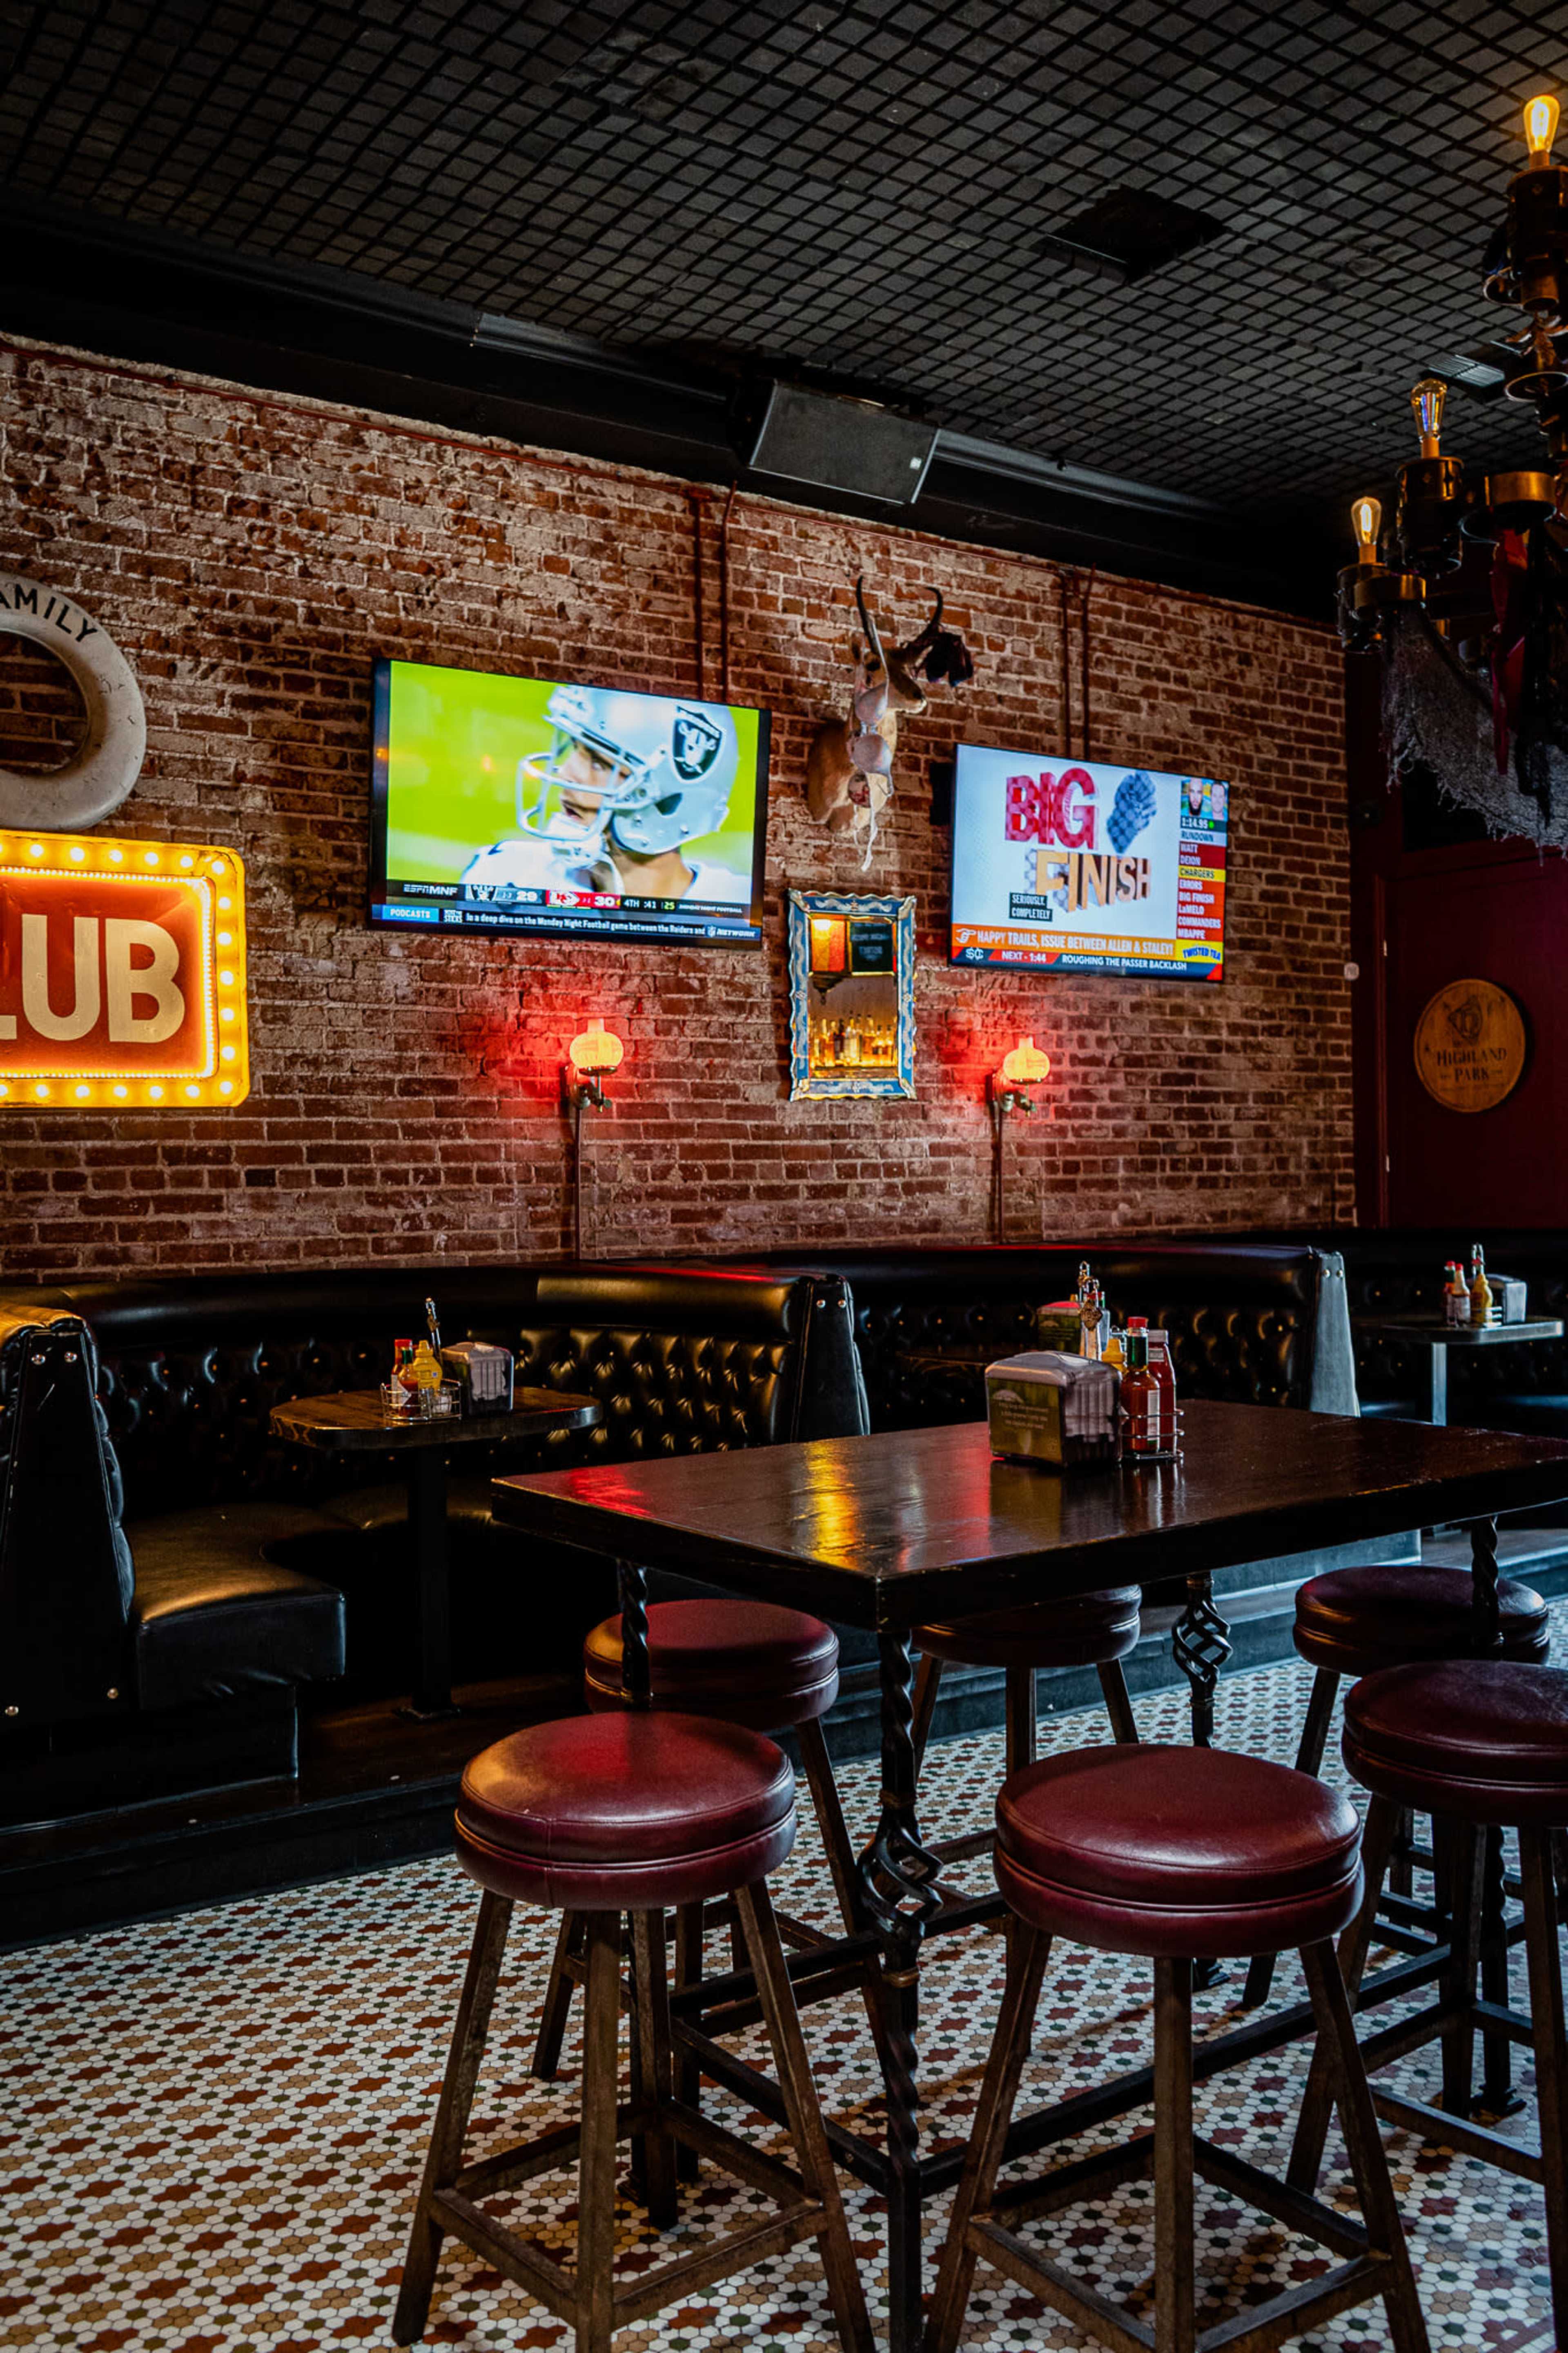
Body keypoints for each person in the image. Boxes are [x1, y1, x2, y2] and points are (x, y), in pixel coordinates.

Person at [461, 685, 749, 904]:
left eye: (599, 762)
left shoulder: (732, 903)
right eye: (575, 748)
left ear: (669, 802)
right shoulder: (508, 874)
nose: (566, 775)